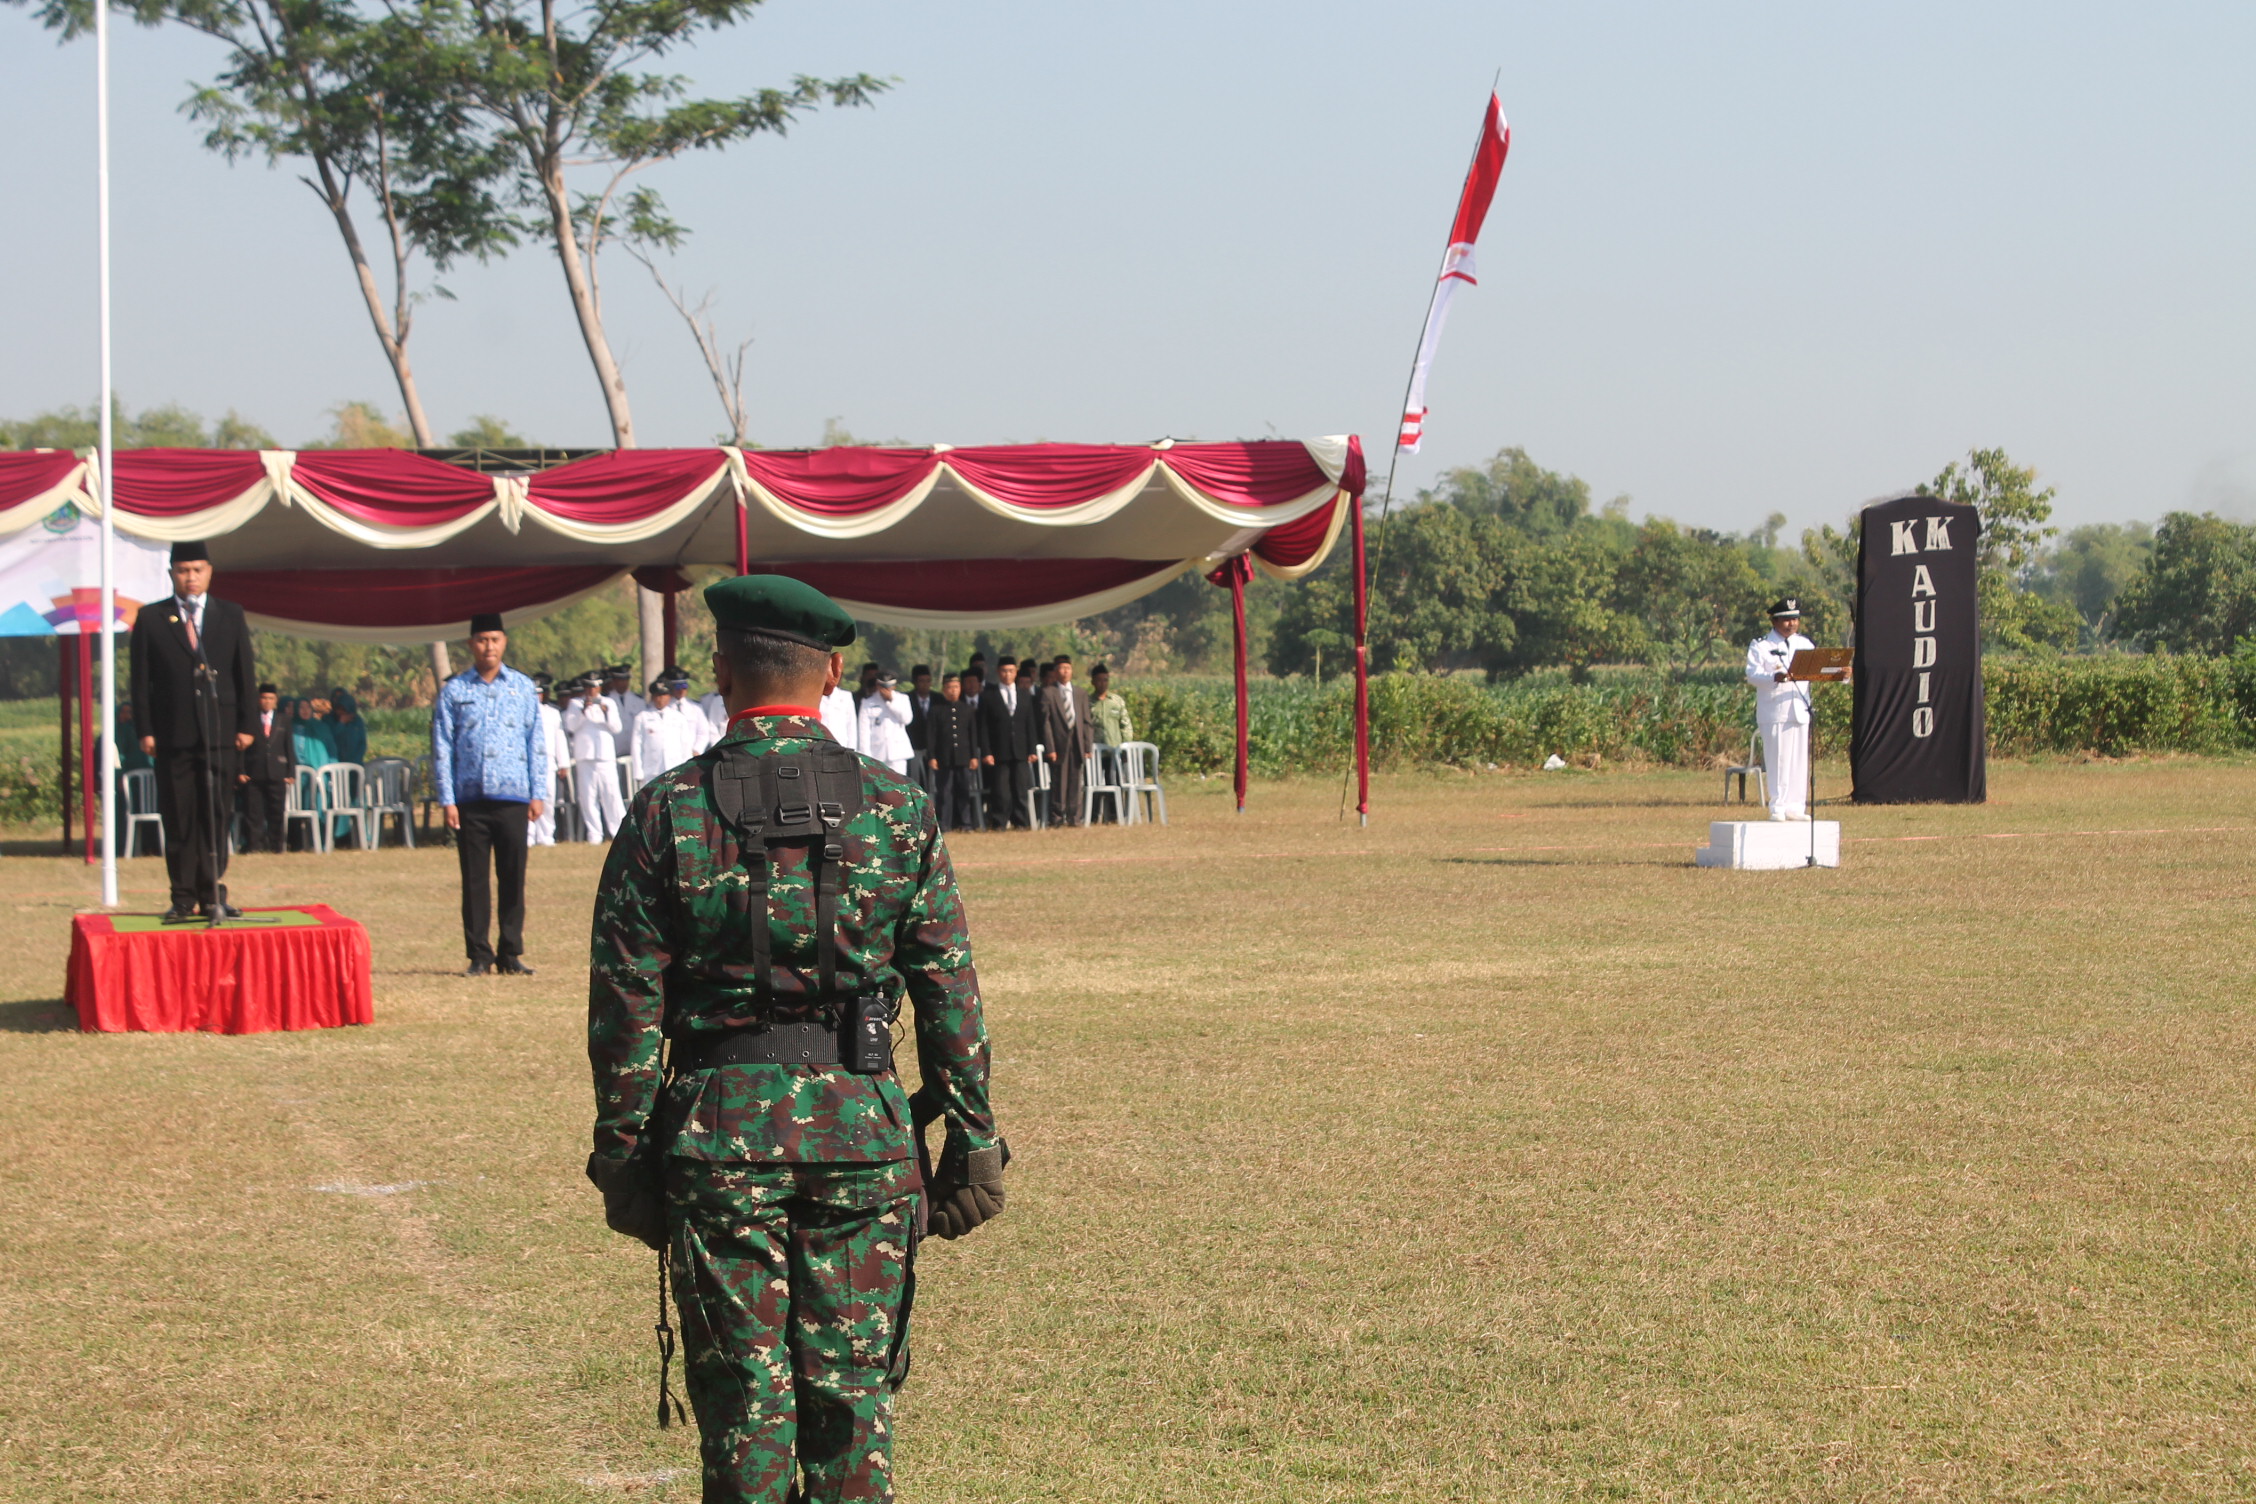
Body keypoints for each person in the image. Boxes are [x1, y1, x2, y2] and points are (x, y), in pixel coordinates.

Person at [585, 573, 1005, 1504]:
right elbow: (948, 992)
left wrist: (624, 1156)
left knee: (746, 1408)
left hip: (717, 1141)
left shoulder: (666, 811)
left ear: (723, 670)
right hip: (861, 1137)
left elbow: (625, 1009)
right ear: (833, 674)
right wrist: (971, 1141)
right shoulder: (897, 810)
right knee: (852, 1401)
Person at [129, 540, 258, 921]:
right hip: (172, 735)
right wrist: (146, 729)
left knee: (216, 815)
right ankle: (182, 897)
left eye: (197, 570)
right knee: (180, 816)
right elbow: (140, 681)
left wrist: (248, 724)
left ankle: (212, 894)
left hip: (220, 733)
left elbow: (244, 674)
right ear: (172, 574)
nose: (191, 577)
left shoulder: (229, 615)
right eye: (183, 570)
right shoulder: (152, 619)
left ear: (209, 572)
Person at [431, 612, 549, 976]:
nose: (489, 647)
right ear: (471, 645)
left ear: (504, 642)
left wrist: (538, 792)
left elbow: (537, 743)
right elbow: (442, 747)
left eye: (495, 639)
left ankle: (511, 952)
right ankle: (479, 954)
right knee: (475, 880)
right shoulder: (455, 691)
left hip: (514, 797)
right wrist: (447, 799)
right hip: (471, 799)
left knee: (513, 876)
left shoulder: (523, 687)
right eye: (482, 640)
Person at [1745, 598, 1816, 822]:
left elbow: (1816, 672)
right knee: (1779, 759)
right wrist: (1773, 677)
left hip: (1799, 708)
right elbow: (1752, 675)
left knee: (1797, 761)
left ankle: (1796, 805)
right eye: (1786, 620)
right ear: (1775, 621)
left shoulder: (1805, 644)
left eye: (1794, 619)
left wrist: (1841, 674)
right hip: (1776, 710)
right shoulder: (1761, 645)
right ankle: (1778, 805)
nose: (1791, 624)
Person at [564, 673, 628, 843]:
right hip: (585, 756)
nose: (592, 691)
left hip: (605, 756)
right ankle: (594, 834)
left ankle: (618, 831)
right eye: (589, 687)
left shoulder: (609, 703)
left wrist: (606, 713)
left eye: (594, 687)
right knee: (587, 796)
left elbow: (616, 728)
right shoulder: (575, 704)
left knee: (611, 794)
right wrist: (583, 711)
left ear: (599, 687)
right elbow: (570, 726)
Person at [977, 657, 1038, 829]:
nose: (1007, 674)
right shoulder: (988, 696)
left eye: (1011, 671)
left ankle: (1021, 822)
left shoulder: (1025, 694)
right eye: (1004, 671)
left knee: (1020, 789)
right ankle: (999, 822)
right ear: (998, 672)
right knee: (1001, 790)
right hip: (999, 750)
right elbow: (983, 727)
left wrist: (1032, 748)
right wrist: (986, 752)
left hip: (1020, 749)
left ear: (1016, 672)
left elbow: (1030, 724)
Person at [238, 683, 294, 854]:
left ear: (275, 700)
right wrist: (240, 770)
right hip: (254, 772)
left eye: (270, 698)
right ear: (258, 699)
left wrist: (291, 772)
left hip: (277, 772)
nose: (267, 701)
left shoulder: (283, 719)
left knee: (277, 811)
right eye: (263, 698)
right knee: (253, 812)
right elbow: (240, 747)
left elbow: (289, 748)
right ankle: (254, 845)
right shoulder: (249, 719)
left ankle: (276, 846)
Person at [1040, 654, 1095, 827]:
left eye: (1068, 668)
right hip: (1058, 744)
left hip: (1077, 742)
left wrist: (1088, 745)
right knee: (1059, 781)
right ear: (1055, 672)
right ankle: (1057, 817)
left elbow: (1087, 721)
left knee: (1075, 780)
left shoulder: (1080, 693)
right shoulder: (1048, 693)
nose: (1065, 672)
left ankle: (1074, 817)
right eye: (1061, 669)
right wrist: (1050, 747)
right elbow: (1045, 722)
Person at [924, 672, 984, 830]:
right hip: (943, 757)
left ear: (961, 688)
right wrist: (932, 756)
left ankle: (965, 823)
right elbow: (931, 736)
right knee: (944, 792)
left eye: (956, 687)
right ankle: (944, 823)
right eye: (949, 687)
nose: (953, 690)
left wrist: (973, 756)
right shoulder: (936, 710)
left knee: (964, 790)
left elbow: (973, 735)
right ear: (944, 689)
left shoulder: (968, 710)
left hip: (964, 757)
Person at [631, 676, 708, 788]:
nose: (660, 699)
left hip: (675, 767)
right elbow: (636, 746)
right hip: (651, 769)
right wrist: (638, 772)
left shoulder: (678, 717)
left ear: (669, 697)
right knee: (652, 803)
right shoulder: (642, 717)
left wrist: (687, 768)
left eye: (664, 695)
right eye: (657, 696)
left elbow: (685, 744)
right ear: (652, 697)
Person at [531, 673, 569, 846]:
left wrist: (563, 763)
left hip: (548, 760)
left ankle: (546, 835)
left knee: (548, 797)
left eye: (540, 693)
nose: (537, 697)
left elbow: (559, 739)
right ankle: (529, 835)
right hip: (528, 760)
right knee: (528, 798)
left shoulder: (553, 713)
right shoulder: (522, 712)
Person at [856, 671, 914, 775]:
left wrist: (891, 702)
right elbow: (864, 731)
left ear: (894, 686)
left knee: (899, 786)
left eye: (889, 687)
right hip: (876, 753)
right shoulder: (868, 702)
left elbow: (907, 719)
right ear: (877, 685)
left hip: (898, 753)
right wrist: (865, 756)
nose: (886, 690)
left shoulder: (902, 699)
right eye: (883, 686)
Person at [1089, 662, 1133, 793]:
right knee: (1094, 788)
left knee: (1116, 785)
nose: (1103, 683)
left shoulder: (1116, 701)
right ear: (1093, 682)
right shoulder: (1087, 702)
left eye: (1105, 680)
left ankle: (1116, 813)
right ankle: (1094, 813)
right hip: (1094, 754)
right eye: (1099, 680)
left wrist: (1125, 748)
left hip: (1115, 752)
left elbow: (1125, 726)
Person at [903, 665, 935, 792]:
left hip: (933, 748)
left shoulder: (938, 699)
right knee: (914, 781)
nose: (925, 684)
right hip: (914, 746)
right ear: (914, 682)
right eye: (921, 681)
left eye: (928, 681)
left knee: (932, 783)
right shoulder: (907, 699)